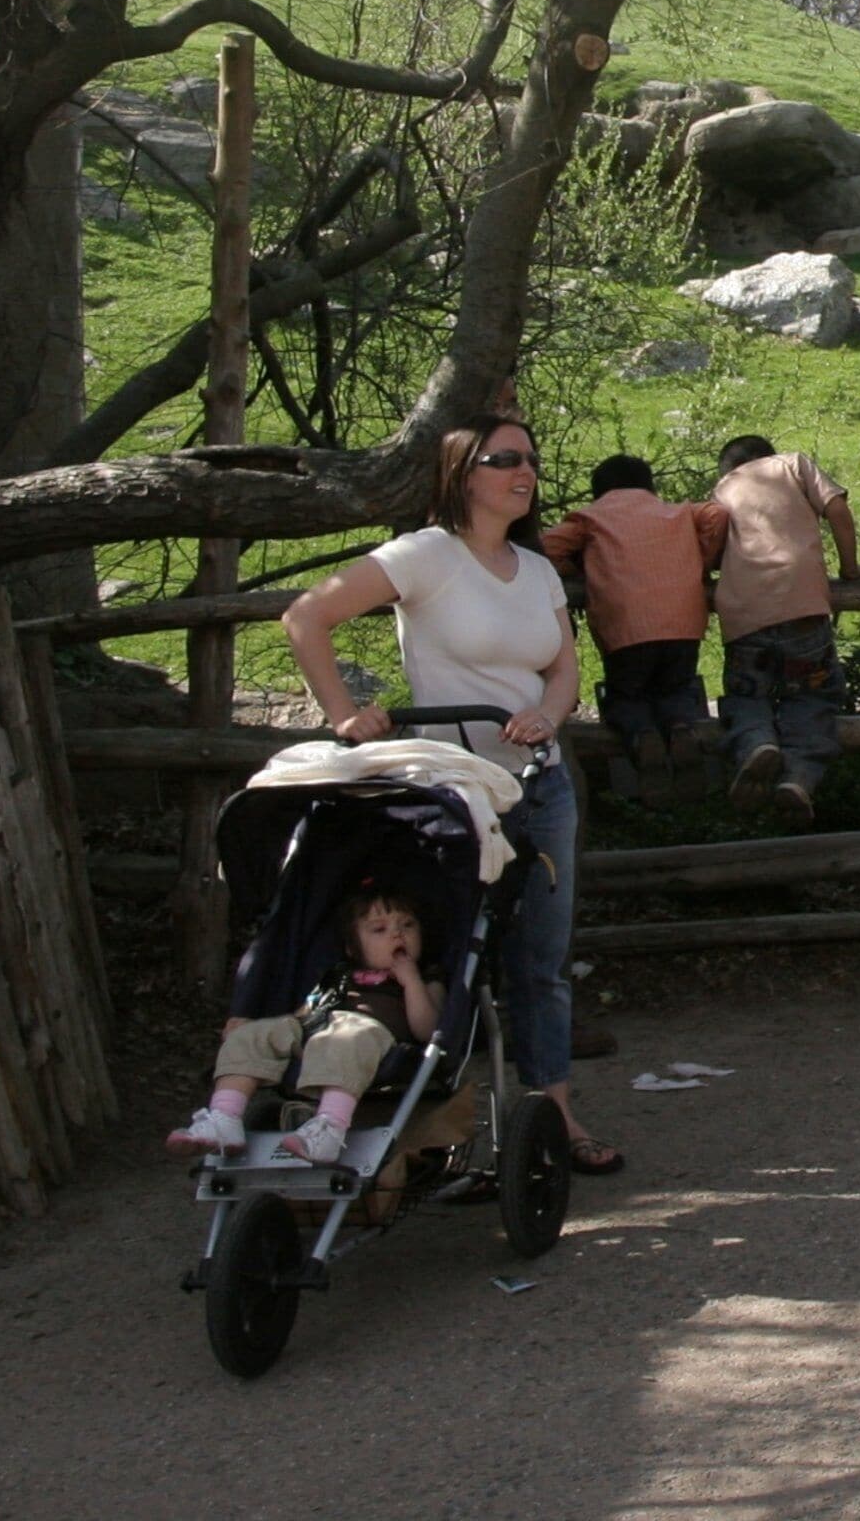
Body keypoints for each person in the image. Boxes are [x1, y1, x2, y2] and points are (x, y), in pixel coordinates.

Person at [281, 419, 619, 1174]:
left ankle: (553, 1111)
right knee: (456, 957)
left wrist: (549, 714)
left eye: (530, 458)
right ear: (464, 473)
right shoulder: (426, 555)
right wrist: (344, 714)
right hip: (461, 791)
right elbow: (307, 617)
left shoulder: (534, 569)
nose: (523, 471)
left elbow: (564, 667)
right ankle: (440, 1125)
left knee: (543, 959)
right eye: (505, 460)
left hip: (540, 782)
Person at [167, 886, 443, 1165]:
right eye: (379, 929)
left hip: (369, 1038)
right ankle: (224, 1118)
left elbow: (427, 1029)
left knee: (345, 1035)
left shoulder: (426, 977)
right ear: (352, 947)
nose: (398, 934)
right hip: (317, 1030)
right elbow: (306, 1013)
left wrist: (411, 982)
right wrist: (258, 1025)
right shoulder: (338, 976)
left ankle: (329, 1129)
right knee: (251, 1035)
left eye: (408, 925)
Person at [539, 455, 729, 803]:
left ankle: (643, 739)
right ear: (649, 485)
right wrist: (701, 559)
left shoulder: (592, 517)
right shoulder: (681, 512)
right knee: (676, 689)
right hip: (684, 622)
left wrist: (576, 571)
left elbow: (547, 547)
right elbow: (719, 514)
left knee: (626, 695)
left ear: (599, 492)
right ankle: (680, 729)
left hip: (626, 625)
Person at [709, 433, 860, 825]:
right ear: (767, 456)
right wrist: (850, 567)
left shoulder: (721, 491)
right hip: (802, 606)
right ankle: (798, 777)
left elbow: (709, 549)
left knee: (747, 696)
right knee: (813, 697)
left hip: (745, 617)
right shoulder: (792, 464)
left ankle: (757, 742)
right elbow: (838, 509)